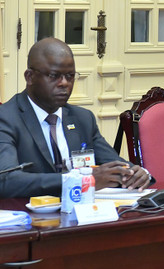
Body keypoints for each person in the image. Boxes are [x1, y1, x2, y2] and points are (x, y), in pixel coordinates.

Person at [0, 38, 151, 198]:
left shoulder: (83, 119)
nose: (64, 83)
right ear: (29, 77)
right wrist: (81, 181)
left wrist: (137, 174)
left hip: (82, 215)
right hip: (27, 216)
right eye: (54, 75)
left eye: (70, 76)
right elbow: (6, 180)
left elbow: (112, 165)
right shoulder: (6, 119)